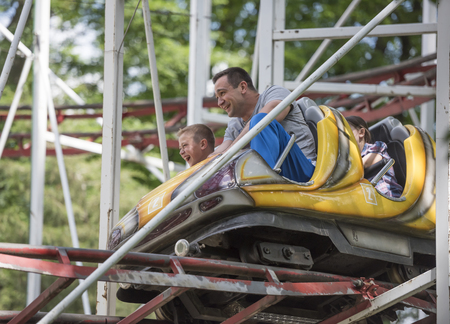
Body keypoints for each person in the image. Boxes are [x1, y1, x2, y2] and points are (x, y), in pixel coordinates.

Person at [212, 67, 316, 183]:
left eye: (222, 93)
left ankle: (262, 183)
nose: (219, 103)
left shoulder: (275, 93)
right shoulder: (234, 125)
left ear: (242, 87)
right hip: (276, 175)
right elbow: (220, 152)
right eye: (217, 98)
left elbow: (264, 121)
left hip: (303, 170)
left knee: (261, 121)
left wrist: (228, 153)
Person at [346, 116, 403, 198]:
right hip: (369, 201)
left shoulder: (377, 147)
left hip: (388, 197)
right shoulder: (349, 160)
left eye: (346, 131)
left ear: (361, 132)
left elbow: (365, 163)